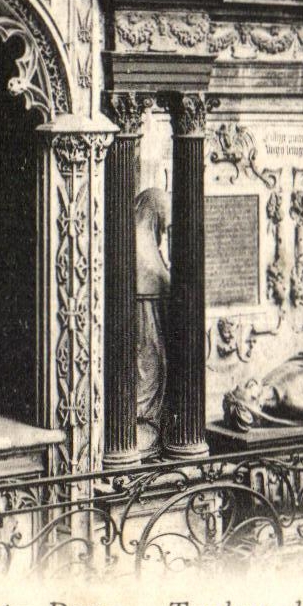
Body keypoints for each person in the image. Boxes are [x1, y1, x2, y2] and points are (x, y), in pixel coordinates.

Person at [135, 186, 170, 453]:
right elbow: (158, 277)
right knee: (148, 371)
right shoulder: (141, 247)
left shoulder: (138, 239)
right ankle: (144, 431)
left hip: (144, 318)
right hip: (144, 321)